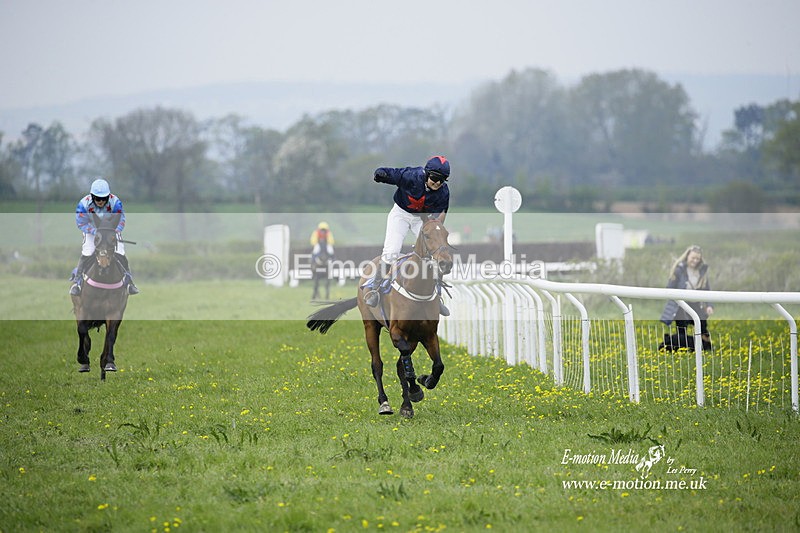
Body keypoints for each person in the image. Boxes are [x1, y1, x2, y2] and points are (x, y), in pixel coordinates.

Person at [365, 155, 451, 316]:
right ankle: (374, 290)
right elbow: (392, 173)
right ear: (426, 174)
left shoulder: (444, 192)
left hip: (423, 219)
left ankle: (437, 296)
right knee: (392, 252)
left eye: (443, 179)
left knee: (434, 254)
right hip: (401, 214)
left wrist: (435, 230)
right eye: (435, 178)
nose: (438, 183)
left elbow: (441, 215)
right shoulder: (411, 176)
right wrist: (380, 173)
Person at [69, 178, 139, 296]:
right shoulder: (83, 204)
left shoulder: (116, 202)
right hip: (92, 232)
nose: (100, 201)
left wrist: (114, 231)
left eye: (103, 198)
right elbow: (81, 223)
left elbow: (121, 219)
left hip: (111, 231)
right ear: (92, 196)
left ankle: (129, 283)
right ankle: (78, 282)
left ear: (108, 196)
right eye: (97, 198)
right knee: (87, 252)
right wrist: (95, 231)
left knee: (120, 252)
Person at [660, 245, 713, 348]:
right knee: (682, 327)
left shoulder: (702, 271)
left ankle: (705, 346)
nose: (695, 260)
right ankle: (681, 347)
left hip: (696, 303)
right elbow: (670, 287)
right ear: (687, 256)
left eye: (697, 258)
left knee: (702, 324)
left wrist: (709, 305)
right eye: (693, 258)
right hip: (680, 304)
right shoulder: (679, 269)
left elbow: (707, 290)